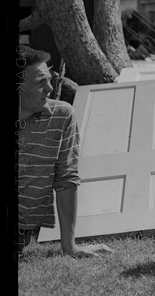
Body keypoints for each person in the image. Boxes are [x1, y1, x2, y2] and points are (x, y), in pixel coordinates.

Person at [16, 46, 112, 260]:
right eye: (41, 82)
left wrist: (70, 246)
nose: (50, 88)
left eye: (49, 79)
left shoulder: (61, 116)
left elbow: (66, 178)